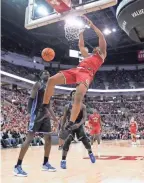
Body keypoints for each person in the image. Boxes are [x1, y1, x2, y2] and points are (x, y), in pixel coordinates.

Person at [35, 15, 107, 138]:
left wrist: (91, 25)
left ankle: (71, 123)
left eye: (97, 47)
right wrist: (81, 32)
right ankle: (44, 107)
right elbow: (81, 45)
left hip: (86, 74)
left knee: (78, 97)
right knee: (51, 80)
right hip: (76, 70)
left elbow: (101, 36)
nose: (95, 47)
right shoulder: (88, 55)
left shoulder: (102, 54)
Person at [14, 71, 58, 177]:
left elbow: (48, 105)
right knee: (29, 139)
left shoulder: (50, 88)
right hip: (36, 115)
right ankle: (17, 166)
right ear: (41, 75)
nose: (47, 74)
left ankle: (45, 163)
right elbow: (30, 100)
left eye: (48, 73)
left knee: (48, 139)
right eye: (44, 73)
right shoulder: (38, 84)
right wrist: (30, 114)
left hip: (45, 116)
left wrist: (54, 118)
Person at [60, 90, 95, 169]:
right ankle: (63, 160)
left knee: (85, 141)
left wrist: (78, 124)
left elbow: (84, 118)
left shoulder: (82, 106)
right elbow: (64, 117)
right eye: (73, 94)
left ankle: (90, 153)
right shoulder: (67, 106)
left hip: (79, 125)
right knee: (67, 141)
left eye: (76, 93)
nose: (74, 95)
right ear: (71, 96)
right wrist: (62, 128)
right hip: (70, 126)